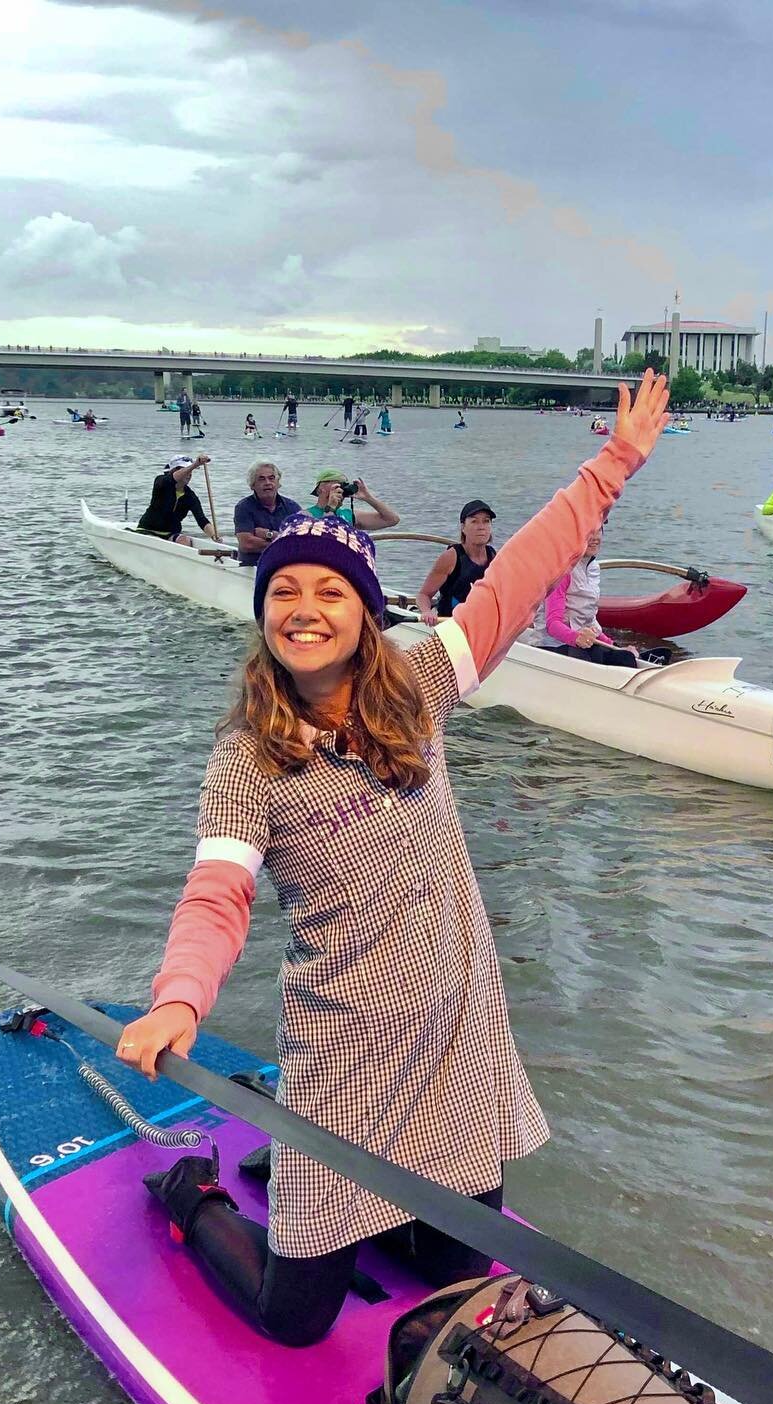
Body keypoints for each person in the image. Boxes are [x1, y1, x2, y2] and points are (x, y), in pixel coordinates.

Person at [114, 371, 671, 1348]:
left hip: (459, 1032)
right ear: (263, 612)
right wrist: (178, 999)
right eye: (283, 591)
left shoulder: (419, 682)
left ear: (366, 610)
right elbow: (217, 897)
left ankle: (302, 1177)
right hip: (351, 1053)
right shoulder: (247, 756)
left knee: (459, 1272)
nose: (303, 608)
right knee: (294, 1323)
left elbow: (522, 572)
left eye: (329, 590)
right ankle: (201, 1190)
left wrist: (613, 462)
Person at [519, 521, 639, 668]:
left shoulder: (593, 568)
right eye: (589, 532)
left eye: (598, 531)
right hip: (550, 646)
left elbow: (588, 623)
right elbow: (552, 624)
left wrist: (614, 646)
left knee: (624, 657)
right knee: (593, 653)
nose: (595, 538)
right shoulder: (561, 571)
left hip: (580, 645)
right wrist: (576, 638)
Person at [418, 500, 498, 623]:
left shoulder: (493, 556)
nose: (481, 527)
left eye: (486, 521)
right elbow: (424, 595)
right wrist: (427, 612)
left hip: (480, 626)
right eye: (474, 521)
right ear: (463, 528)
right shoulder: (451, 557)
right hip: (450, 625)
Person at [136, 453, 221, 546]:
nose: (189, 474)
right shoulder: (161, 482)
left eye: (191, 472)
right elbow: (172, 478)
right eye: (186, 470)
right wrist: (195, 464)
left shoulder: (190, 496)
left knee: (185, 541)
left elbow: (202, 520)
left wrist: (214, 536)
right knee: (155, 541)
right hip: (147, 530)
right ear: (173, 470)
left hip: (170, 533)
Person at [233, 461, 302, 567]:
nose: (267, 483)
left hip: (285, 567)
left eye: (271, 478)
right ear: (252, 485)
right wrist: (285, 543)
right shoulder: (243, 507)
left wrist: (269, 534)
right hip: (254, 567)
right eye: (261, 479)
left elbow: (300, 542)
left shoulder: (292, 508)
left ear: (278, 483)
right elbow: (247, 544)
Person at [308, 470, 399, 531]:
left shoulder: (350, 515)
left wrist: (368, 497)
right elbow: (325, 533)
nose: (340, 490)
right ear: (320, 489)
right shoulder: (305, 515)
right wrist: (330, 507)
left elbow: (392, 519)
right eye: (336, 485)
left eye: (342, 486)